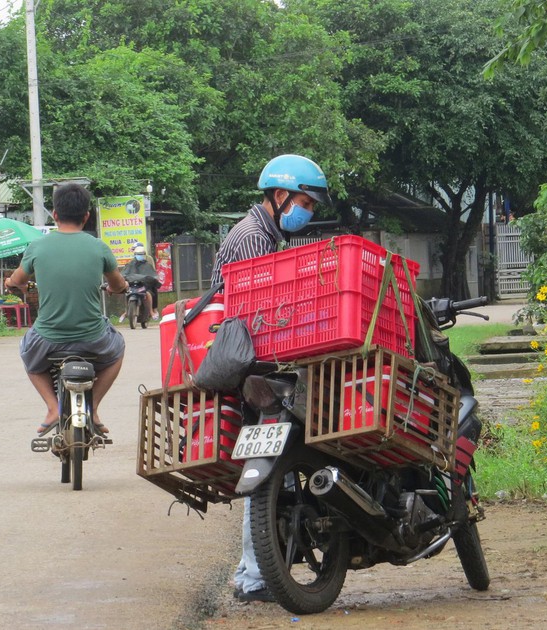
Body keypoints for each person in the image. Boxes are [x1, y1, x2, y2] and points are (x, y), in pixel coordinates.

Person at [213, 154, 329, 603]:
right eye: (305, 202)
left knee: (274, 463)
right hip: (251, 369)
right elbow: (259, 313)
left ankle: (257, 570)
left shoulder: (268, 234)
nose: (308, 212)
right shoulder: (251, 238)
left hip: (258, 365)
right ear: (280, 196)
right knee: (266, 464)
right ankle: (254, 575)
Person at [6, 183, 128, 436]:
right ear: (86, 216)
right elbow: (117, 285)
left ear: (55, 214)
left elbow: (17, 281)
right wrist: (118, 287)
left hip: (48, 339)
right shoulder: (99, 247)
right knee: (118, 349)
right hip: (94, 338)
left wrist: (10, 283)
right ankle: (92, 410)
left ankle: (52, 407)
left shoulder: (37, 247)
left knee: (27, 353)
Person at [119, 244, 160, 320]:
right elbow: (125, 272)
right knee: (126, 292)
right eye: (137, 254)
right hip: (133, 283)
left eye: (140, 254)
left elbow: (152, 272)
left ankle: (152, 311)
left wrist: (152, 278)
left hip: (145, 283)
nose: (139, 255)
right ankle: (126, 312)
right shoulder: (131, 263)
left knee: (149, 292)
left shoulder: (148, 262)